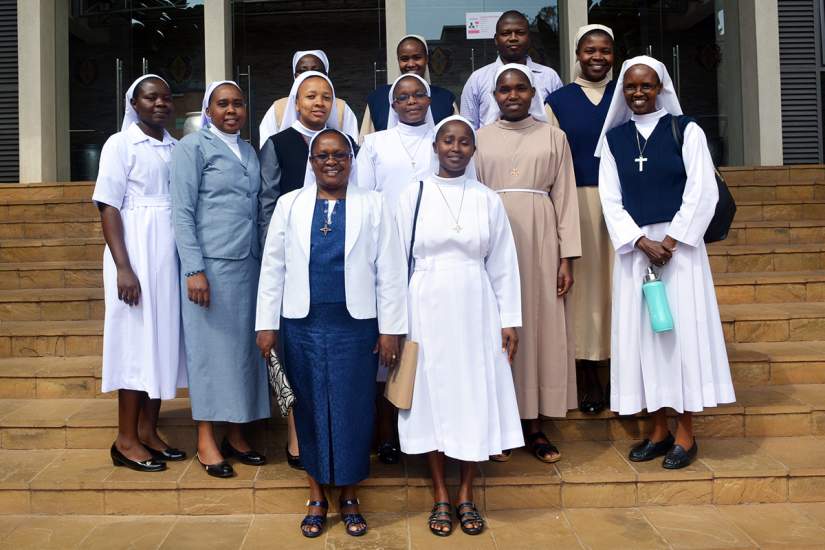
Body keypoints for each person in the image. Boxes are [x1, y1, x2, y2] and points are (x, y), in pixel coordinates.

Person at [255, 128, 407, 538]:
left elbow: (390, 270)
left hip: (356, 326)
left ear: (351, 159)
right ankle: (317, 496)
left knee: (354, 410)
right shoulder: (290, 205)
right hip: (302, 324)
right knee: (308, 409)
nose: (332, 162)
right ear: (311, 162)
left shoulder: (374, 205)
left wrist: (391, 328)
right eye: (323, 156)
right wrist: (266, 324)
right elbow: (273, 269)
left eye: (340, 154)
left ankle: (351, 495)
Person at [596, 56, 735, 469]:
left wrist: (670, 241)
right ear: (623, 90)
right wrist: (640, 241)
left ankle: (686, 434)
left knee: (682, 338)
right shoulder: (614, 139)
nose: (638, 93)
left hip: (681, 253)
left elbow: (702, 191)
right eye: (631, 86)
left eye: (647, 86)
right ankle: (657, 429)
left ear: (661, 88)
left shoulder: (685, 129)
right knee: (643, 339)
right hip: (636, 253)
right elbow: (609, 199)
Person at [397, 115, 523, 537]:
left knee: (472, 394)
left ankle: (466, 493)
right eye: (447, 140)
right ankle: (440, 495)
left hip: (476, 303)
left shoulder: (488, 199)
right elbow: (396, 265)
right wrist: (394, 324)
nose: (455, 148)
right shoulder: (411, 194)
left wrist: (510, 320)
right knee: (431, 396)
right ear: (435, 146)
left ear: (473, 149)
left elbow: (503, 264)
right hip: (424, 304)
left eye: (464, 142)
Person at [475, 64, 581, 464]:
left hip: (541, 243)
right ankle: (499, 427)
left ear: (533, 92)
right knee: (496, 331)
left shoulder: (554, 137)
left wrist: (567, 258)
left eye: (521, 88)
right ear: (495, 96)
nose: (513, 95)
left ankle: (534, 426)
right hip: (493, 242)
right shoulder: (479, 139)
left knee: (538, 330)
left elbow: (567, 199)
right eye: (505, 90)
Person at [258, 70, 358, 471]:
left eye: (325, 97)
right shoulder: (278, 144)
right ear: (295, 102)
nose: (318, 103)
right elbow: (267, 202)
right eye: (310, 96)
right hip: (291, 259)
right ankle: (296, 436)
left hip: (337, 259)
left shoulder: (346, 145)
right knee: (295, 357)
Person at [171, 80, 270, 478]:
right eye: (222, 104)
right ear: (208, 110)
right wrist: (194, 269)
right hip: (210, 267)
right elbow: (181, 212)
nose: (231, 110)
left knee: (244, 353)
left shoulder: (248, 151)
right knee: (210, 353)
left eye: (238, 103)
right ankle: (206, 439)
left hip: (248, 264)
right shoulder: (191, 148)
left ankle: (237, 434)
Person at [94, 74, 187, 472]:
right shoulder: (121, 144)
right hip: (135, 252)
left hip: (168, 258)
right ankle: (125, 439)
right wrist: (123, 267)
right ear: (134, 103)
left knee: (160, 343)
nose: (161, 104)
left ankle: (149, 432)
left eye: (166, 98)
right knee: (135, 345)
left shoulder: (176, 147)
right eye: (151, 98)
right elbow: (108, 205)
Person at [546, 24, 616, 414]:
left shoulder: (628, 94)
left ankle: (622, 374)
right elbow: (554, 161)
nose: (597, 57)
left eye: (605, 50)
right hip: (577, 204)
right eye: (590, 50)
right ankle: (589, 378)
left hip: (622, 208)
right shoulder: (558, 101)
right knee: (586, 294)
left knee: (616, 291)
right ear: (577, 53)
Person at [460, 10, 562, 130]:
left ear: (530, 38)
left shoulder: (549, 77)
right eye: (506, 33)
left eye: (520, 33)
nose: (513, 38)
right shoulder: (477, 79)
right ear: (496, 40)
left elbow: (561, 121)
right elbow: (468, 129)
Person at [360, 35, 457, 138]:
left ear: (427, 59)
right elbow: (365, 141)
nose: (411, 64)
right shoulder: (378, 98)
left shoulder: (445, 99)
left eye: (417, 57)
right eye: (404, 59)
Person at [258, 50, 359, 148]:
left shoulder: (342, 107)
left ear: (326, 74)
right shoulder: (277, 108)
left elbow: (351, 148)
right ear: (294, 75)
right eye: (302, 71)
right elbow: (267, 147)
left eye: (316, 70)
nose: (309, 74)